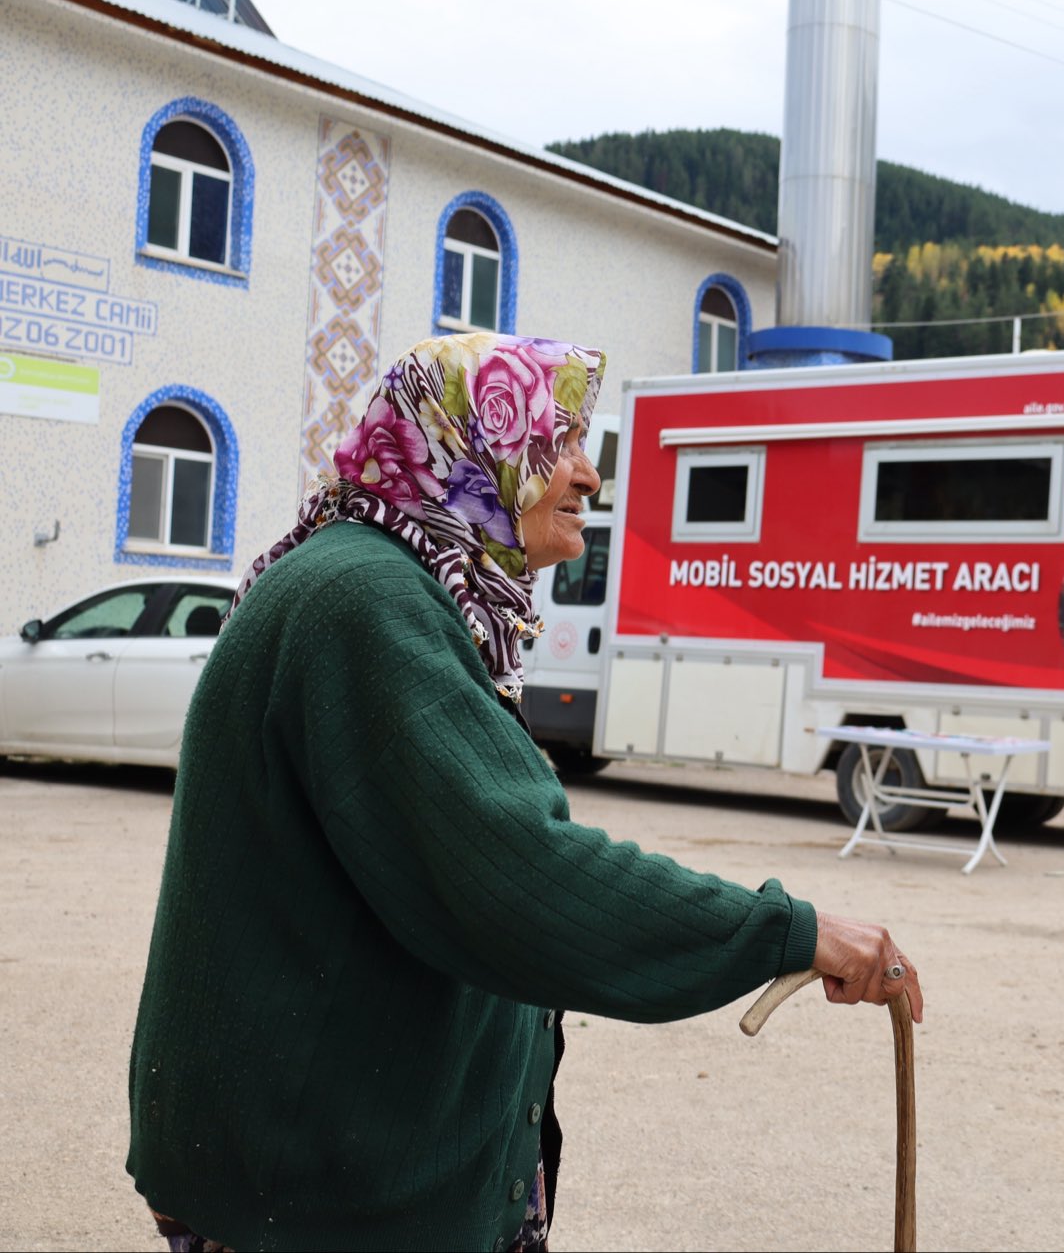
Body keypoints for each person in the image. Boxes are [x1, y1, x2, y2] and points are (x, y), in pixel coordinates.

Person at [128, 333, 923, 1253]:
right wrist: (790, 930)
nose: (588, 477)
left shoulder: (385, 582)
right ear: (466, 446)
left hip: (313, 1164)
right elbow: (520, 875)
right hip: (321, 1196)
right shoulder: (366, 604)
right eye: (555, 442)